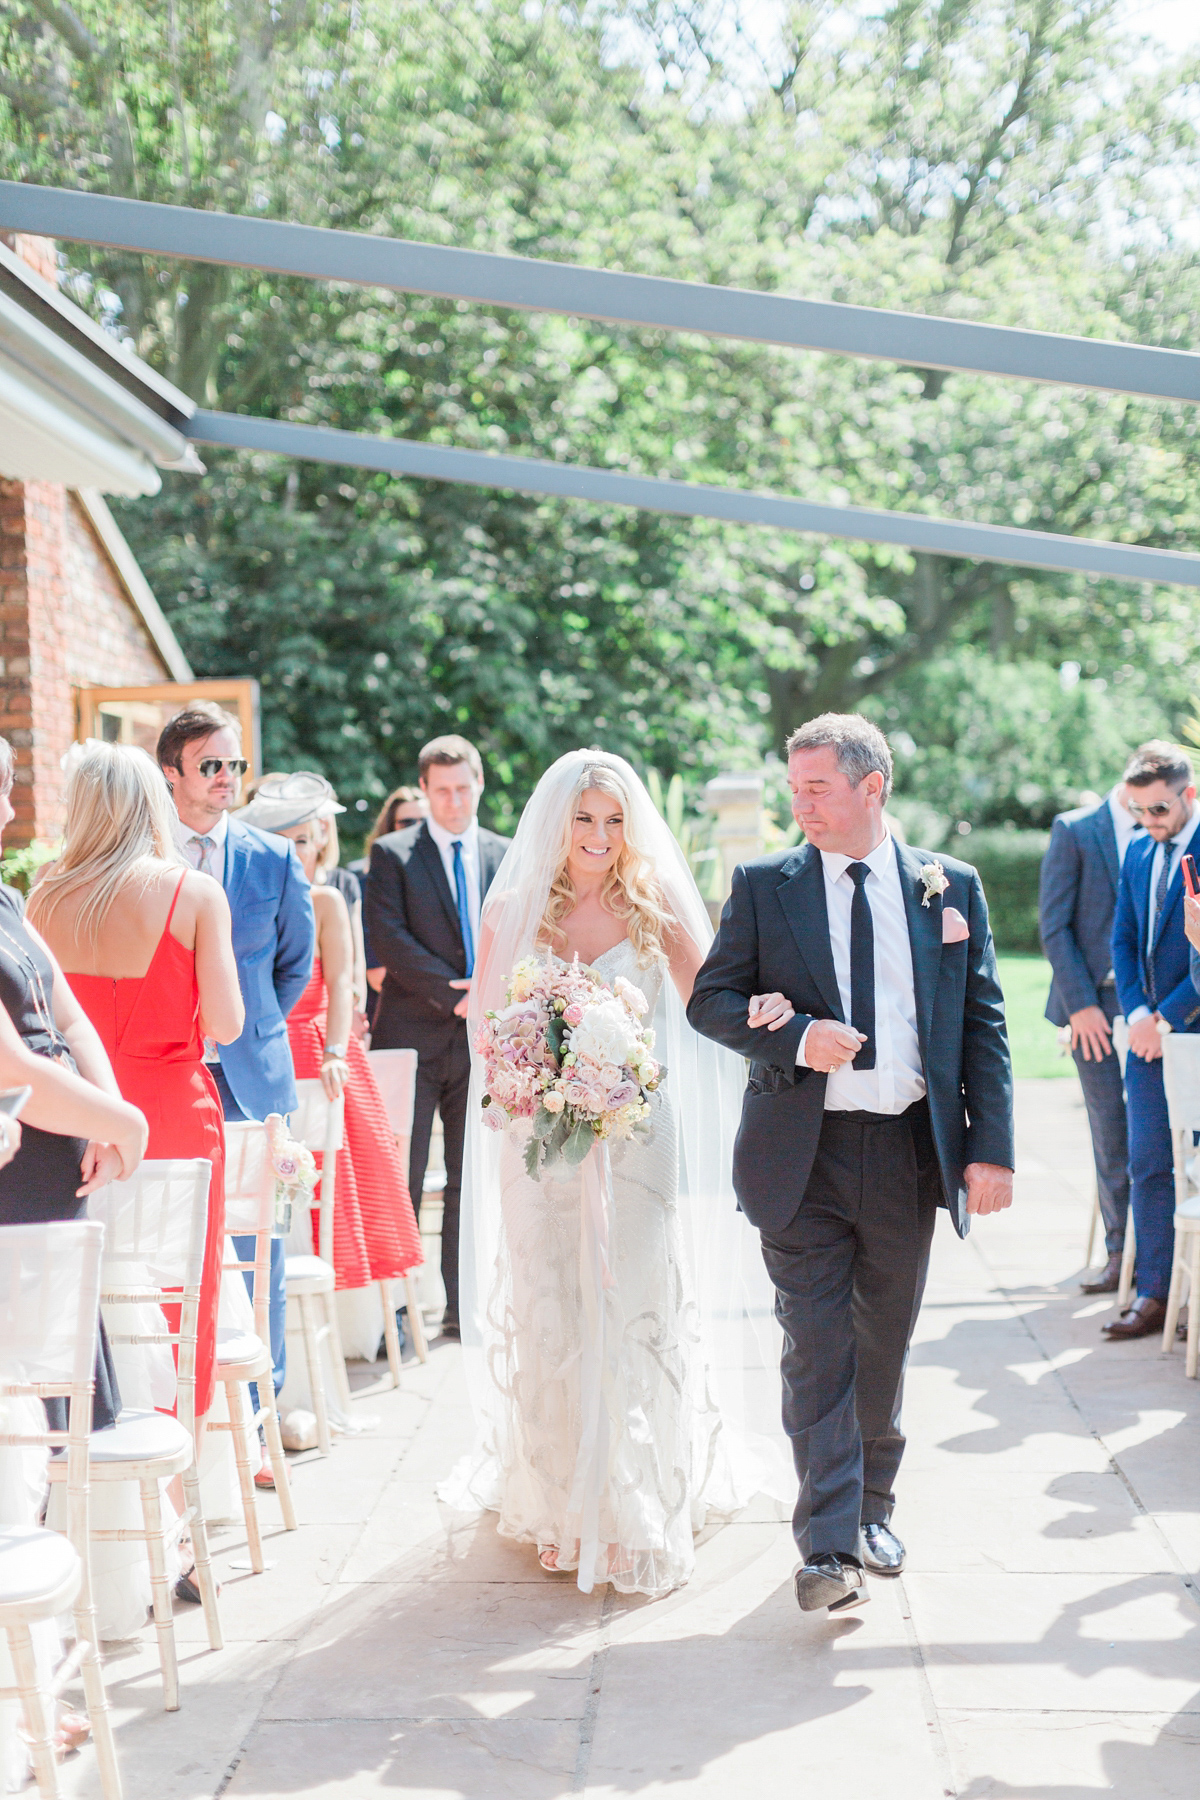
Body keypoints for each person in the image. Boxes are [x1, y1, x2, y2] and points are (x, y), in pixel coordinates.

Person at [688, 713, 1014, 1615]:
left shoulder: (950, 889)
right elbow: (708, 1002)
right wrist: (796, 1036)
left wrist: (992, 1149)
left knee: (882, 1344)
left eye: (817, 788)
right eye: (794, 789)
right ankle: (827, 1548)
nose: (802, 806)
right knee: (816, 1347)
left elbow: (983, 1022)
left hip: (910, 1152)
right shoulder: (764, 886)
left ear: (873, 788)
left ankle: (874, 1510)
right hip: (803, 1157)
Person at [447, 749, 784, 1596]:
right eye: (584, 819)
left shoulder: (656, 903)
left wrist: (769, 1012)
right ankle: (566, 1503)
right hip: (541, 1140)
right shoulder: (515, 906)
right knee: (553, 1304)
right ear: (558, 823)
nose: (598, 836)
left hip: (637, 1130)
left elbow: (710, 1002)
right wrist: (536, 1075)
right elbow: (488, 1030)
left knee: (634, 1304)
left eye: (613, 820)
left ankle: (636, 1503)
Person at [29, 742, 245, 1436]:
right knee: (179, 1291)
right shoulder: (193, 894)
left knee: (85, 1284)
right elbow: (229, 1024)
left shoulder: (42, 895)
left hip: (75, 1120)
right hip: (175, 1119)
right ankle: (174, 1466)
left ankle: (85, 1447)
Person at [156, 703, 315, 1474]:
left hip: (252, 1077)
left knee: (263, 1245)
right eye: (211, 766)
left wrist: (242, 1034)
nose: (226, 781)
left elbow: (292, 966)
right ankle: (186, 1404)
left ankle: (259, 1415)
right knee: (180, 1240)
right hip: (169, 1073)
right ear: (173, 774)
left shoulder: (272, 860)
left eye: (235, 766)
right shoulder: (148, 854)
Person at [0, 735, 149, 1435]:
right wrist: (129, 1126)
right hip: (15, 1174)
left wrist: (107, 1109)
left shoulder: (8, 901)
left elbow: (69, 1016)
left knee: (63, 1385)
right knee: (31, 1392)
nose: (9, 809)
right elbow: (13, 1066)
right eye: (4, 790)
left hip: (57, 1168)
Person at [236, 773, 423, 1302]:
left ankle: (344, 1303)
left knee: (343, 1171)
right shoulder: (247, 902)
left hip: (319, 1040)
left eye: (300, 839)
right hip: (266, 1043)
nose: (291, 851)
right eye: (281, 840)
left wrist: (337, 1050)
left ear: (319, 839)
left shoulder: (326, 901)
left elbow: (343, 981)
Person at [366, 738, 509, 1338]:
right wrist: (456, 994)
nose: (453, 800)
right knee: (401, 1178)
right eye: (441, 789)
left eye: (463, 787)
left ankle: (462, 1307)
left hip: (485, 1042)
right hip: (411, 1037)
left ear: (479, 784)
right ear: (424, 791)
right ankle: (396, 1315)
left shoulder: (508, 854)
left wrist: (493, 996)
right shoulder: (393, 854)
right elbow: (389, 937)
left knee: (468, 1178)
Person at [1107, 742, 1200, 1341]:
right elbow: (1122, 940)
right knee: (1147, 1164)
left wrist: (1165, 1018)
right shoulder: (1139, 851)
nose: (1149, 822)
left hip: (1190, 1034)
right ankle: (1155, 1294)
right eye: (1138, 810)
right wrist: (1140, 1013)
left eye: (1159, 809)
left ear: (1189, 795)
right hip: (1147, 1040)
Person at [1039, 780, 1143, 1292]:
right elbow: (1054, 925)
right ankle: (1119, 1254)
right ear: (1126, 783)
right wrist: (1079, 1006)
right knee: (1110, 1129)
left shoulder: (1169, 831)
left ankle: (1156, 1258)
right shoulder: (1075, 829)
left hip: (1149, 1006)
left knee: (1154, 1131)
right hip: (1092, 1005)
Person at [354, 785, 428, 1020]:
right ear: (390, 826)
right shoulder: (367, 879)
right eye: (407, 822)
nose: (416, 829)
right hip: (390, 1011)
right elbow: (377, 975)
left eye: (424, 822)